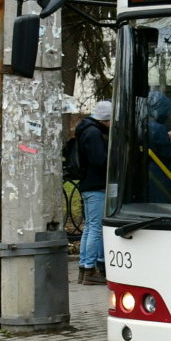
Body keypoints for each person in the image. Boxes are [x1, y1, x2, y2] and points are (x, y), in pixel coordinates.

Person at [76, 100, 112, 285]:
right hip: (96, 186)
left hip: (89, 185)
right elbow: (100, 161)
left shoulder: (87, 130)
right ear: (106, 119)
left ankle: (84, 268)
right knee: (95, 229)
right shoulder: (94, 133)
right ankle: (90, 269)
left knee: (90, 227)